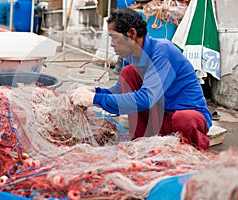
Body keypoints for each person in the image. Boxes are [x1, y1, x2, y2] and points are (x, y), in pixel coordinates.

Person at [69, 8, 212, 150]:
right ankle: (142, 137)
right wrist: (95, 91)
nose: (112, 44)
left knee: (184, 120)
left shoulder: (162, 51)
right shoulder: (131, 55)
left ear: (132, 34)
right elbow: (120, 92)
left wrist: (94, 99)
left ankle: (194, 144)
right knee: (128, 73)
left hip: (186, 114)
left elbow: (147, 98)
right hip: (161, 116)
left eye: (115, 37)